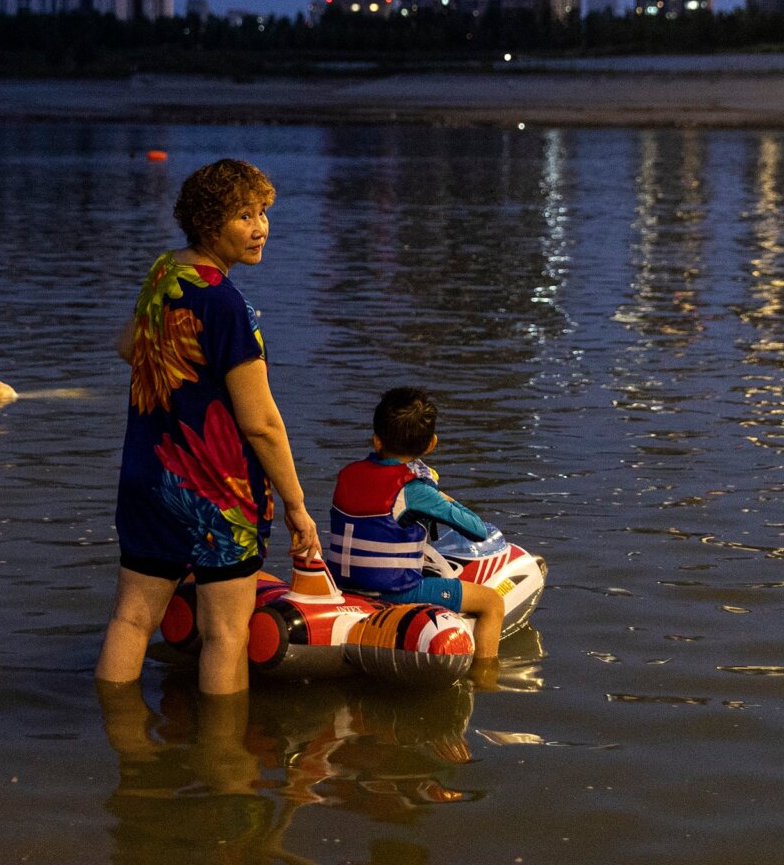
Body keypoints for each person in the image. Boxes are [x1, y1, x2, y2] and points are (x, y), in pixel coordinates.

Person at [96, 158, 320, 696]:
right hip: (217, 493)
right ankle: (225, 768)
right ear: (207, 222)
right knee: (225, 633)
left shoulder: (166, 272)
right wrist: (296, 504)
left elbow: (128, 346)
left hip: (149, 478)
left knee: (131, 620)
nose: (261, 226)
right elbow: (261, 423)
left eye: (263, 212)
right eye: (244, 215)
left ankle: (122, 745)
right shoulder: (227, 304)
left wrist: (184, 386)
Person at [327, 387, 504, 663]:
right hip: (395, 591)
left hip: (342, 584)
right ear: (431, 444)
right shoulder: (415, 489)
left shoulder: (347, 475)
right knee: (492, 602)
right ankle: (485, 677)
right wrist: (443, 499)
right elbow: (477, 530)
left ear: (376, 440)